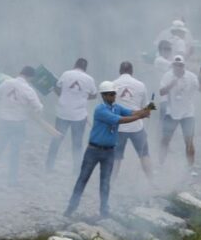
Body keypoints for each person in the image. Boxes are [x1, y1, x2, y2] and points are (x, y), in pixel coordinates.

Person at [64, 81, 151, 218]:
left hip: (109, 151)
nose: (114, 96)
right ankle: (71, 208)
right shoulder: (101, 110)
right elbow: (120, 120)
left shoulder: (116, 107)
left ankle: (104, 210)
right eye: (111, 94)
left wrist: (145, 110)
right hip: (93, 151)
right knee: (83, 179)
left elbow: (131, 112)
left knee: (105, 182)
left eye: (114, 94)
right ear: (104, 96)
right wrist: (141, 116)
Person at [0, 66, 43, 184]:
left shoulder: (6, 83)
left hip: (3, 121)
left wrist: (4, 101)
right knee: (15, 152)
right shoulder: (28, 89)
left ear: (20, 73)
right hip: (18, 123)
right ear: (30, 77)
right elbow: (39, 108)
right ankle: (12, 180)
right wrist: (28, 108)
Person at [45, 58, 97, 172]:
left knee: (56, 139)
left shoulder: (66, 74)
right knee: (77, 143)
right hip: (79, 116)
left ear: (75, 65)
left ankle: (49, 166)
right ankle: (76, 169)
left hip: (63, 113)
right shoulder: (89, 79)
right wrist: (83, 95)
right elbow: (94, 95)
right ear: (85, 68)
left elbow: (58, 89)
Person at [159, 56, 201, 173]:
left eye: (180, 65)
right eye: (176, 65)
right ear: (173, 65)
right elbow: (161, 92)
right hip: (172, 111)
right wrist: (171, 84)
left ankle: (190, 168)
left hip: (188, 113)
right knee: (165, 140)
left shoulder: (191, 76)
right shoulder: (167, 75)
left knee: (189, 140)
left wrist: (200, 80)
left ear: (184, 66)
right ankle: (160, 165)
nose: (178, 67)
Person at [111, 62, 154, 183]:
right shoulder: (140, 85)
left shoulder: (113, 85)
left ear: (120, 71)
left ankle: (110, 183)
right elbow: (146, 109)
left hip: (119, 126)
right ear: (132, 71)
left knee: (116, 157)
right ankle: (151, 182)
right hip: (136, 127)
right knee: (144, 154)